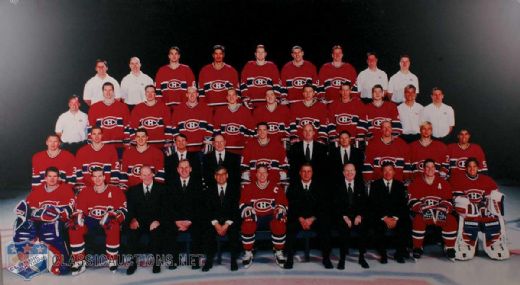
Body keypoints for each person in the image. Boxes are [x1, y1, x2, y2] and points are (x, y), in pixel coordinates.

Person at [13, 167, 74, 275]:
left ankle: (60, 259)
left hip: (58, 222)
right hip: (38, 221)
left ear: (58, 178)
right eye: (49, 176)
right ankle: (24, 262)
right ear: (45, 178)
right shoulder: (37, 191)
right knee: (24, 228)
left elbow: (70, 209)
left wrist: (56, 213)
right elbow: (27, 208)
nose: (52, 179)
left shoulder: (66, 190)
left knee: (49, 227)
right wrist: (33, 214)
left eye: (55, 176)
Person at [69, 167, 127, 275]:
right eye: (95, 176)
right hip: (91, 220)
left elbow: (123, 210)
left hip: (107, 220)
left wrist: (113, 215)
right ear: (91, 178)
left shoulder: (115, 191)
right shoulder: (85, 191)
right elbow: (80, 210)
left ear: (104, 177)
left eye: (100, 176)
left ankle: (112, 259)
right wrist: (79, 217)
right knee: (74, 226)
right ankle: (79, 260)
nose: (98, 179)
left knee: (112, 224)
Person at [450, 158, 509, 260]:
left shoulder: (487, 180)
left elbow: (493, 196)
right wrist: (470, 206)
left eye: (474, 166)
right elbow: (456, 198)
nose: (472, 169)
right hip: (467, 213)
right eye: (469, 167)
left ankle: (494, 242)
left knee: (493, 214)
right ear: (466, 168)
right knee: (468, 210)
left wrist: (484, 206)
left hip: (482, 211)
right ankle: (465, 242)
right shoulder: (458, 180)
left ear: (478, 168)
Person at [285, 164, 332, 269]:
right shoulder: (293, 186)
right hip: (298, 218)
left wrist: (312, 219)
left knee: (325, 226)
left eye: (309, 171)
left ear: (312, 173)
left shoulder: (319, 186)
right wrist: (300, 219)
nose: (306, 174)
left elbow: (323, 206)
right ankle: (289, 258)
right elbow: (290, 205)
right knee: (289, 227)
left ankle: (326, 258)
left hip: (314, 218)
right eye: (304, 171)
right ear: (300, 173)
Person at [408, 159, 457, 260]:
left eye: (432, 167)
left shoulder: (443, 182)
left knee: (451, 220)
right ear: (423, 169)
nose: (430, 169)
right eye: (427, 167)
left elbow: (449, 199)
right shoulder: (416, 182)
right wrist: (423, 208)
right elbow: (411, 200)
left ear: (435, 169)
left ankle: (449, 247)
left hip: (440, 211)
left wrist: (442, 208)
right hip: (423, 212)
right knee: (418, 220)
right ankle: (417, 247)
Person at [240, 166, 288, 268]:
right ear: (256, 174)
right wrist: (248, 210)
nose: (262, 175)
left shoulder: (276, 187)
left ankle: (279, 251)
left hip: (270, 216)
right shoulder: (248, 188)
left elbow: (283, 203)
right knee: (248, 222)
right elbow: (242, 204)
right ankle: (248, 252)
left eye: (264, 173)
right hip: (256, 217)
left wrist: (280, 210)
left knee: (280, 220)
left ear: (267, 174)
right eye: (259, 173)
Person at [162, 159, 205, 269]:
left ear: (190, 169)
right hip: (177, 219)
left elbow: (200, 206)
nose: (184, 170)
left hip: (192, 219)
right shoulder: (171, 184)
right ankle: (173, 260)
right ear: (177, 170)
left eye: (186, 167)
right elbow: (168, 206)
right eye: (181, 168)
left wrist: (189, 221)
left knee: (199, 227)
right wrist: (177, 221)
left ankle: (195, 259)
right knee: (168, 227)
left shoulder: (199, 184)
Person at [125, 166, 165, 275]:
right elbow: (129, 209)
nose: (146, 177)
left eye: (149, 174)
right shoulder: (133, 190)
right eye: (144, 174)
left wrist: (158, 221)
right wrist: (132, 220)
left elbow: (165, 208)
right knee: (131, 232)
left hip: (155, 222)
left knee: (157, 232)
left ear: (153, 174)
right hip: (139, 222)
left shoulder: (162, 188)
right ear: (140, 176)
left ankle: (156, 263)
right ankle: (133, 263)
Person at [368, 162, 410, 264]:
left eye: (390, 170)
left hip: (396, 216)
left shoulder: (400, 185)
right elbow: (373, 205)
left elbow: (403, 205)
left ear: (394, 172)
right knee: (378, 226)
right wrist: (385, 218)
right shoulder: (375, 185)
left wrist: (395, 218)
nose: (388, 173)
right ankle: (383, 254)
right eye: (385, 170)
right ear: (382, 172)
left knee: (406, 223)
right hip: (381, 216)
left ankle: (399, 253)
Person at [202, 166, 241, 272]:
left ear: (227, 175)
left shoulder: (235, 190)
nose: (221, 177)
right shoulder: (209, 190)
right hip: (215, 221)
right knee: (208, 231)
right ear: (215, 177)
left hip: (230, 220)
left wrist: (227, 224)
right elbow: (207, 210)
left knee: (234, 231)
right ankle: (209, 260)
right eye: (218, 175)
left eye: (223, 174)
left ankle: (233, 260)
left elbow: (236, 210)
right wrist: (216, 224)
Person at [332, 163, 370, 269]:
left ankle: (362, 258)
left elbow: (364, 203)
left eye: (352, 170)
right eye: (347, 171)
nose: (350, 173)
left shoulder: (360, 184)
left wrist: (359, 215)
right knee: (343, 229)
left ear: (355, 172)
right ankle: (342, 259)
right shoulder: (337, 185)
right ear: (343, 173)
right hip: (342, 216)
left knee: (364, 228)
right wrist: (344, 217)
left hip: (356, 216)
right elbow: (335, 205)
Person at [87, 82, 131, 152]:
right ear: (102, 92)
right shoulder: (94, 108)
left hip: (119, 146)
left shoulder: (123, 107)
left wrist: (127, 144)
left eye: (110, 90)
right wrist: (91, 146)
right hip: (101, 146)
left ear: (113, 92)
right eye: (105, 90)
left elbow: (127, 127)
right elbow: (90, 128)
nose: (108, 92)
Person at [171, 86, 214, 152]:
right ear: (186, 95)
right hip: (184, 148)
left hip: (201, 148)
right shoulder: (178, 109)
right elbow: (174, 127)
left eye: (194, 93)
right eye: (189, 93)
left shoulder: (206, 109)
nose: (192, 95)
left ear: (197, 94)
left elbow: (210, 127)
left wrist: (206, 142)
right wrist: (180, 143)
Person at [212, 88, 254, 154]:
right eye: (229, 95)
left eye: (233, 95)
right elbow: (216, 131)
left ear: (237, 97)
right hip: (225, 150)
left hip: (242, 150)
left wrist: (247, 145)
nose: (231, 97)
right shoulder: (219, 112)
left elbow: (251, 131)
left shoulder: (246, 111)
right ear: (226, 97)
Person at [327, 82, 367, 147]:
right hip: (339, 140)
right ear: (340, 91)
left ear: (350, 91)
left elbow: (363, 121)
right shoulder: (333, 105)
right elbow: (330, 122)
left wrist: (359, 135)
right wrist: (334, 136)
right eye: (343, 90)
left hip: (354, 140)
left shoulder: (358, 104)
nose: (345, 93)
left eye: (347, 90)